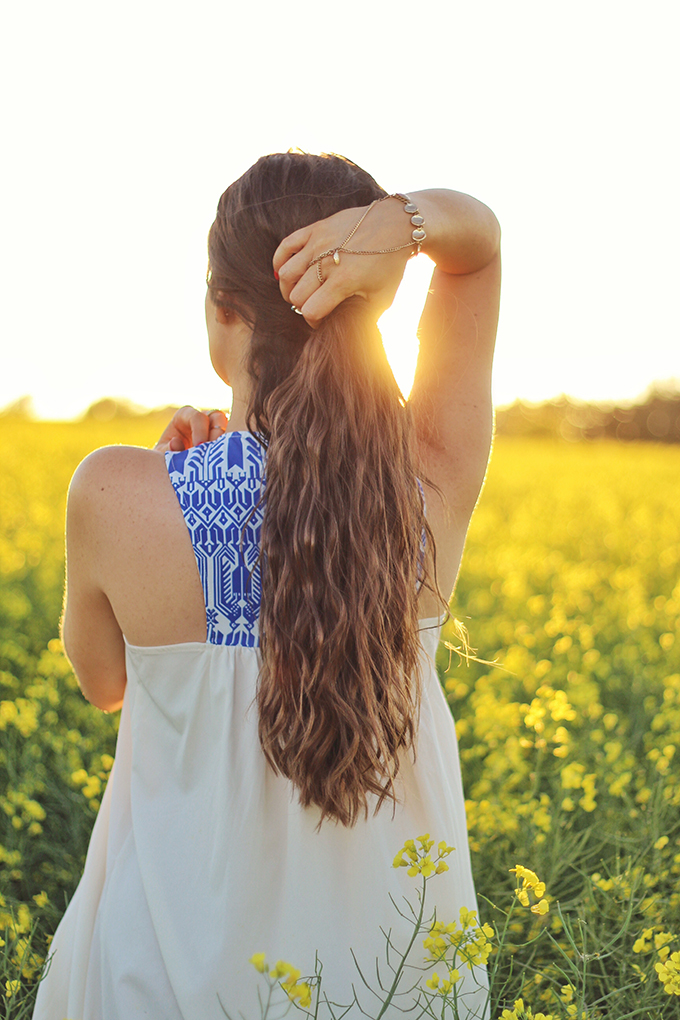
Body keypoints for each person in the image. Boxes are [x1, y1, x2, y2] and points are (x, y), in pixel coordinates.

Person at [33, 151, 501, 1019]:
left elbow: (105, 685)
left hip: (154, 979)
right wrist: (403, 225)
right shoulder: (431, 480)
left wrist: (173, 477)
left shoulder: (111, 492)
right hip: (390, 985)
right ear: (379, 304)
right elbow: (480, 248)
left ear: (223, 310)